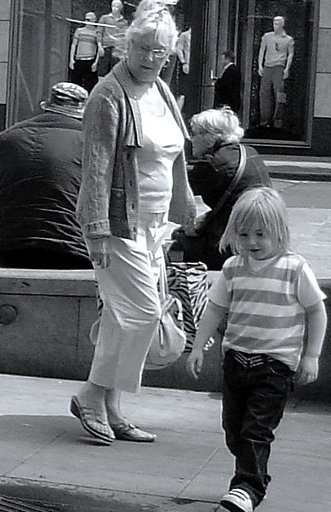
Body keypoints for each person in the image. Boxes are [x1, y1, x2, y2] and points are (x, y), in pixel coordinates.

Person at [69, 1, 196, 444]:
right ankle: (92, 393)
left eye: (158, 51)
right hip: (120, 223)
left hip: (157, 224)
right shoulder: (108, 94)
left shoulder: (160, 91)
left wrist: (184, 208)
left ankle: (111, 407)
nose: (149, 58)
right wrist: (97, 229)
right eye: (141, 48)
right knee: (142, 313)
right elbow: (97, 166)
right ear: (127, 44)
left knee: (119, 320)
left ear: (171, 52)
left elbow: (174, 156)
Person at [187, 187, 326, 512]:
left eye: (261, 234)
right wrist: (197, 346)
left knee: (256, 430)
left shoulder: (294, 268)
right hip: (236, 361)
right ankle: (254, 473)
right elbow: (215, 309)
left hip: (275, 367)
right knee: (234, 430)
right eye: (244, 233)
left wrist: (311, 356)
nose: (252, 241)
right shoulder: (234, 268)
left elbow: (317, 310)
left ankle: (248, 488)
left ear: (280, 232)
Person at [0, 82, 91, 268]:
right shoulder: (91, 140)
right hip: (74, 251)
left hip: (10, 249)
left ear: (47, 106)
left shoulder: (7, 137)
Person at [173, 107, 271, 270]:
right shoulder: (249, 152)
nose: (191, 139)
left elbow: (176, 185)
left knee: (177, 239)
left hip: (233, 244)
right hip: (262, 236)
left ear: (210, 138)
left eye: (195, 133)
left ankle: (180, 287)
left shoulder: (215, 164)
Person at [257, 16, 294, 129]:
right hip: (268, 66)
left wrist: (287, 69)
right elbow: (262, 51)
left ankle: (278, 120)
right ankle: (264, 120)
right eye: (274, 23)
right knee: (264, 93)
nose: (275, 25)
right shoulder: (267, 37)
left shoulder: (288, 39)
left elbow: (290, 54)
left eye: (278, 23)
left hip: (279, 67)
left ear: (282, 24)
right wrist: (260, 65)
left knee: (280, 94)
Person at [69, 12, 100, 93]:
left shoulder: (96, 32)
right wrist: (71, 59)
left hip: (90, 60)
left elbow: (98, 49)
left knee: (90, 84)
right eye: (86, 19)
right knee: (76, 83)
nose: (87, 21)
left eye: (89, 19)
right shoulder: (79, 31)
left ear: (94, 20)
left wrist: (96, 63)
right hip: (79, 59)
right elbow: (74, 45)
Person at [96, 0, 128, 78]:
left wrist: (123, 50)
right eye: (113, 6)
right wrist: (99, 46)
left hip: (117, 49)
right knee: (102, 71)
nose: (114, 8)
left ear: (120, 8)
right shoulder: (104, 18)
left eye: (117, 6)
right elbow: (99, 32)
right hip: (106, 47)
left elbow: (124, 37)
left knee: (115, 71)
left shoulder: (124, 22)